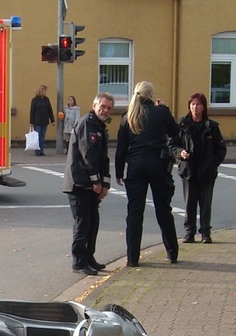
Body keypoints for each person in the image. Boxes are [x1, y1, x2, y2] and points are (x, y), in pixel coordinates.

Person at [115, 81, 182, 267]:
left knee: (134, 213)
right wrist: (165, 109)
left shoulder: (127, 116)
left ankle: (132, 258)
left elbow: (121, 148)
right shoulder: (161, 112)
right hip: (158, 165)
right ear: (151, 95)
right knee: (163, 209)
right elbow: (175, 132)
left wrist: (119, 172)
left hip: (135, 166)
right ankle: (172, 252)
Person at [63, 92, 114, 275]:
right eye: (103, 106)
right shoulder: (87, 124)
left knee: (93, 222)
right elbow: (87, 155)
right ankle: (79, 261)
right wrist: (96, 182)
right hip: (79, 184)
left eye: (109, 108)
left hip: (91, 185)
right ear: (94, 106)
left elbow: (104, 159)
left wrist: (105, 184)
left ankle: (89, 257)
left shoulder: (99, 126)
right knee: (83, 223)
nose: (106, 110)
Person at [176, 92, 227, 243]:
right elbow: (172, 144)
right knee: (189, 203)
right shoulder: (182, 125)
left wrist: (213, 162)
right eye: (192, 104)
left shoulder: (211, 127)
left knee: (205, 204)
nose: (195, 107)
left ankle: (205, 233)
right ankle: (189, 233)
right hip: (188, 170)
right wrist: (180, 153)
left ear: (203, 107)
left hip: (206, 172)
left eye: (198, 104)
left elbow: (221, 149)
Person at [29, 85, 55, 156]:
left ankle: (41, 150)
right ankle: (37, 150)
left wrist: (52, 120)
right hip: (37, 121)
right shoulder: (35, 100)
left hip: (45, 121)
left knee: (42, 136)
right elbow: (32, 111)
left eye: (45, 90)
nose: (45, 92)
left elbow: (50, 110)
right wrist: (31, 122)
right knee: (38, 136)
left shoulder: (47, 99)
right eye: (44, 90)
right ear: (40, 91)